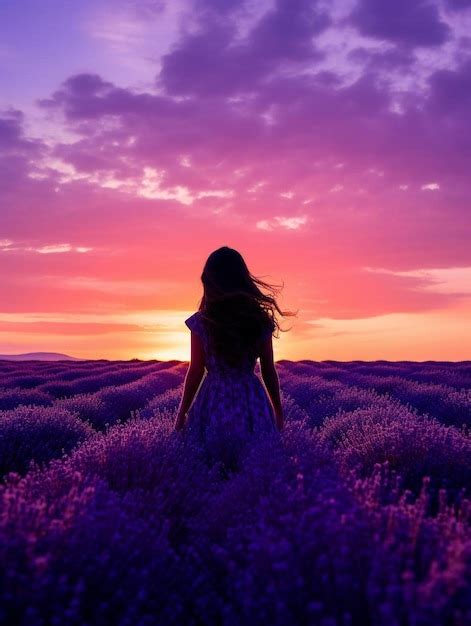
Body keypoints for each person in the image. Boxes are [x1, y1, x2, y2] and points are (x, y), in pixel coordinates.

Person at [174, 246, 296, 470]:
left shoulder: (202, 323)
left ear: (210, 282)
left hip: (213, 399)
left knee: (209, 465)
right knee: (254, 465)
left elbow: (196, 371)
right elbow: (268, 370)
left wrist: (182, 414)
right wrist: (278, 411)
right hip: (250, 400)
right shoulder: (258, 321)